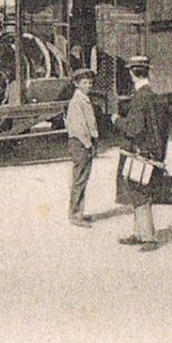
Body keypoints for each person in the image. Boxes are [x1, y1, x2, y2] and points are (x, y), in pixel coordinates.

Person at [113, 55, 168, 251]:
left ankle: (148, 238)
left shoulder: (139, 98)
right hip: (151, 152)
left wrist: (117, 120)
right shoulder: (153, 96)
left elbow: (134, 128)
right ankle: (138, 233)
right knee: (138, 190)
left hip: (139, 152)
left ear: (131, 73)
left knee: (140, 193)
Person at [64, 69, 99, 227]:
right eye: (84, 83)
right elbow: (79, 128)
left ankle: (79, 212)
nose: (88, 85)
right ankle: (75, 214)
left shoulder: (83, 99)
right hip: (80, 144)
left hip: (84, 143)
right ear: (77, 84)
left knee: (82, 178)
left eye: (90, 83)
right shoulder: (76, 101)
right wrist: (89, 144)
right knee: (79, 179)